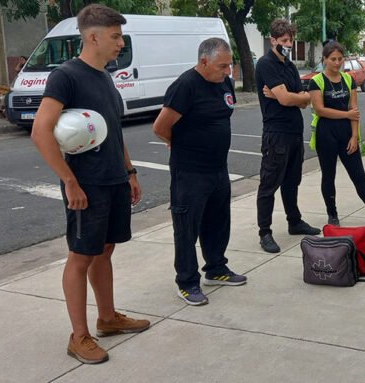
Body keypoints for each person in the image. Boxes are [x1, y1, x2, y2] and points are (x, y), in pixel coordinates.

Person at [31, 4, 150, 364]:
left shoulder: (105, 77)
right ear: (93, 37)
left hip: (114, 179)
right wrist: (70, 182)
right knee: (81, 256)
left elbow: (112, 130)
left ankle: (108, 318)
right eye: (116, 36)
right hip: (86, 185)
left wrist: (129, 172)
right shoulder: (66, 76)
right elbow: (40, 132)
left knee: (105, 250)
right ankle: (78, 336)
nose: (121, 43)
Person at [151, 38, 247, 306]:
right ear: (204, 61)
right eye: (222, 66)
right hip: (190, 171)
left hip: (218, 168)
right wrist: (179, 143)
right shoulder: (186, 85)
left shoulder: (224, 83)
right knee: (187, 228)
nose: (228, 71)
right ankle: (187, 282)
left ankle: (216, 268)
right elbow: (160, 127)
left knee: (217, 222)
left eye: (230, 65)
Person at [308, 41, 365, 228]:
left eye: (340, 59)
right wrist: (346, 115)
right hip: (326, 133)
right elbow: (320, 110)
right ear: (325, 59)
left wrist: (354, 136)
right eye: (333, 59)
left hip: (346, 132)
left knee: (359, 175)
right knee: (328, 176)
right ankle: (332, 214)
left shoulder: (348, 79)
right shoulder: (316, 81)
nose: (337, 63)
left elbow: (354, 110)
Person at [255, 19, 320, 254]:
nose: (288, 44)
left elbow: (305, 100)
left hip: (294, 133)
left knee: (292, 181)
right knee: (269, 183)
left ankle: (294, 221)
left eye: (290, 40)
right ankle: (265, 232)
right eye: (284, 40)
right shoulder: (266, 64)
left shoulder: (290, 66)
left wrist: (288, 96)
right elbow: (287, 99)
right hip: (276, 133)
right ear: (273, 40)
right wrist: (288, 97)